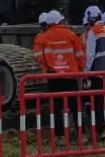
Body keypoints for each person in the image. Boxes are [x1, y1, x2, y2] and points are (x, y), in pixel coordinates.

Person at [32, 10, 83, 143]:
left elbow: (38, 56)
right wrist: (81, 72)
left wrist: (47, 66)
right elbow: (80, 56)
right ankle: (81, 135)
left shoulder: (42, 37)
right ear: (60, 21)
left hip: (54, 77)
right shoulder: (71, 35)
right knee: (75, 106)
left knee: (56, 108)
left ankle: (59, 137)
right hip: (71, 76)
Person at [82, 5, 105, 141]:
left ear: (91, 19)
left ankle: (101, 130)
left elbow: (90, 55)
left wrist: (86, 73)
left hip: (98, 73)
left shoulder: (93, 32)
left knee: (98, 102)